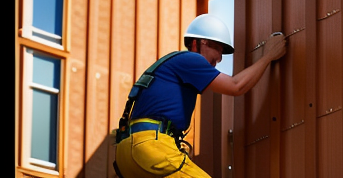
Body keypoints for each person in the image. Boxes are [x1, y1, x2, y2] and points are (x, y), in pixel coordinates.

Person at [114, 13, 286, 178]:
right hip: (151, 147)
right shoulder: (190, 59)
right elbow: (236, 86)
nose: (219, 58)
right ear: (202, 42)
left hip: (128, 153)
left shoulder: (171, 66)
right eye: (218, 48)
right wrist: (268, 56)